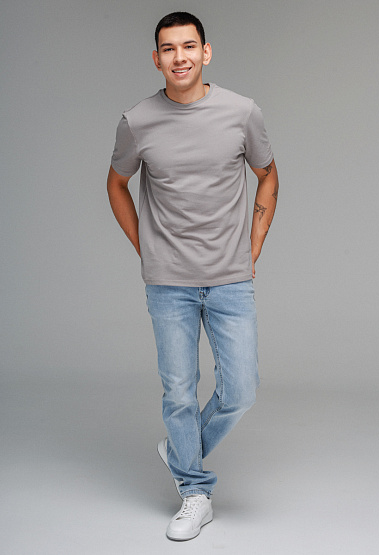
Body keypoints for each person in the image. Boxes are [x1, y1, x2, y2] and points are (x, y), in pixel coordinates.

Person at [107, 11, 279, 542]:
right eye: (168, 48)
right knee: (179, 392)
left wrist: (253, 245)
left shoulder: (242, 112)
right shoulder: (138, 121)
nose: (179, 57)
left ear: (206, 52)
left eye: (188, 46)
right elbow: (116, 185)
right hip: (168, 284)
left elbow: (268, 175)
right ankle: (194, 491)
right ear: (156, 59)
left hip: (230, 278)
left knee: (241, 389)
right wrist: (146, 249)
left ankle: (181, 451)